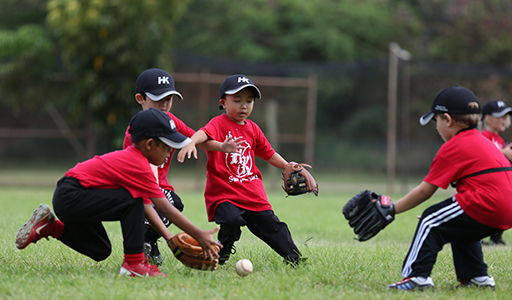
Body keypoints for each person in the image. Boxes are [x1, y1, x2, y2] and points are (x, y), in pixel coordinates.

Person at [15, 108, 221, 277]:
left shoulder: (139, 160)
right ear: (149, 144)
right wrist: (198, 234)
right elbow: (163, 207)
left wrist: (168, 238)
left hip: (72, 197)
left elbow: (148, 206)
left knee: (100, 250)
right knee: (132, 200)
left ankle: (50, 226)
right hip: (72, 194)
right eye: (168, 147)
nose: (169, 153)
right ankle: (133, 265)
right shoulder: (138, 164)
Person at [387, 86, 512, 291]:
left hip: (493, 201)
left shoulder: (453, 146)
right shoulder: (483, 141)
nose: (436, 127)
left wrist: (392, 209)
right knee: (461, 227)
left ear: (448, 120)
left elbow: (425, 191)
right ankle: (477, 278)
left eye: (437, 121)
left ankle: (417, 279)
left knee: (430, 220)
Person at [177, 74, 304, 266]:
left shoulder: (253, 129)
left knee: (273, 226)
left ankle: (295, 260)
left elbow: (269, 153)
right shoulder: (218, 123)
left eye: (249, 101)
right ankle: (224, 248)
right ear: (224, 102)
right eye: (237, 100)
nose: (243, 105)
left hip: (252, 192)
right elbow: (203, 133)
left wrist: (287, 165)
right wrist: (191, 143)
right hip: (224, 193)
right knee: (231, 219)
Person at [124, 68, 242, 265]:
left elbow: (196, 138)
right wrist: (172, 239)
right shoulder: (136, 132)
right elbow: (145, 179)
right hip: (137, 188)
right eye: (158, 98)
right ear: (140, 98)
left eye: (169, 98)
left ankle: (149, 241)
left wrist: (222, 146)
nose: (164, 104)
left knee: (175, 204)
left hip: (159, 185)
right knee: (152, 207)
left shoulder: (170, 121)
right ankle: (139, 247)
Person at [480, 99, 512, 246]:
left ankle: (496, 237)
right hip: (483, 184)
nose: (505, 119)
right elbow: (482, 154)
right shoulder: (482, 137)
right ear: (488, 119)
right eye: (500, 116)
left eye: (506, 116)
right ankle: (476, 237)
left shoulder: (500, 140)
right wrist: (502, 152)